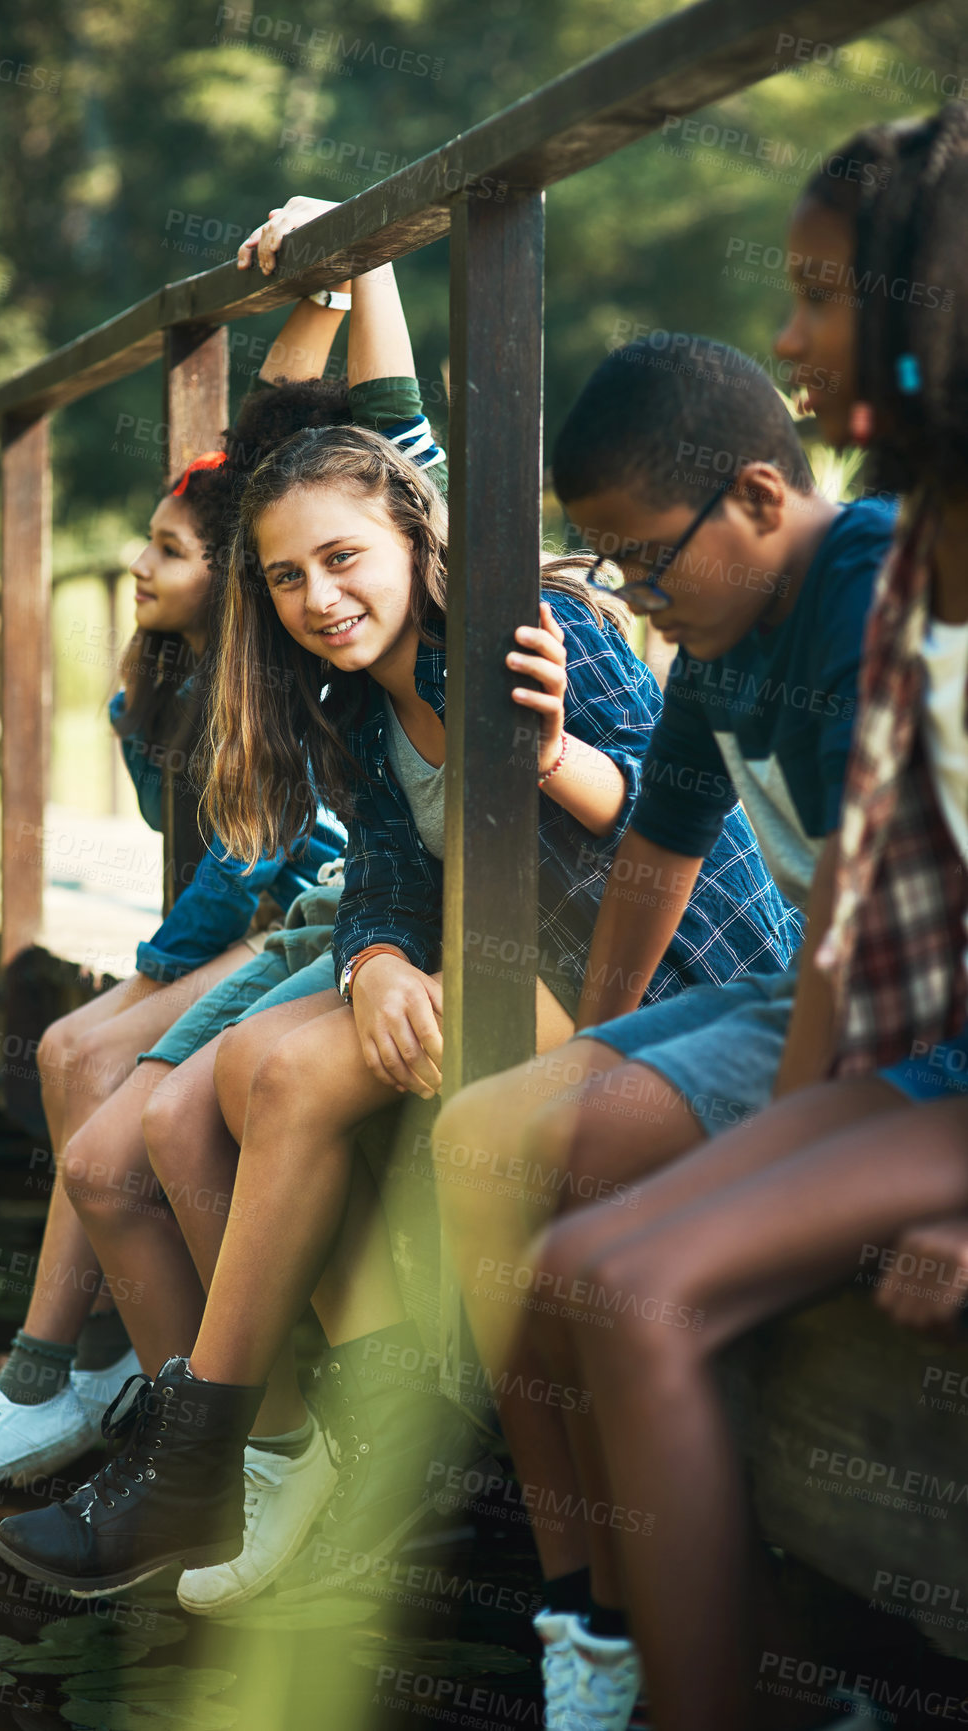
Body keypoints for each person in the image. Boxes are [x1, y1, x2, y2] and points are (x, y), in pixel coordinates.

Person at [0, 418, 797, 1601]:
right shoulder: (357, 705)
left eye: (343, 557)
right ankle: (329, 1429)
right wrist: (373, 966)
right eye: (285, 577)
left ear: (416, 537)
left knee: (301, 1076)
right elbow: (386, 875)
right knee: (253, 1065)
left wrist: (551, 755)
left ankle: (198, 1460)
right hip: (511, 967)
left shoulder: (542, 622)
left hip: (674, 978)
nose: (319, 596)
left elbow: (674, 823)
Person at [522, 104, 968, 1731]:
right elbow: (824, 901)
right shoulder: (916, 565)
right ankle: (658, 1644)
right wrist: (787, 1152)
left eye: (823, 292)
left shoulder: (875, 586)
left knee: (626, 1274)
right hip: (906, 1064)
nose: (786, 334)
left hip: (940, 1078)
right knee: (570, 1239)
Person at [426, 324, 896, 1725]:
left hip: (885, 1006)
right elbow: (656, 851)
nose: (629, 593)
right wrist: (596, 1039)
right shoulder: (719, 632)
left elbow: (864, 903)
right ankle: (590, 1603)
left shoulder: (856, 591)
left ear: (756, 497)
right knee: (477, 1136)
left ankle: (755, 1665)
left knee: (590, 1196)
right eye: (607, 564)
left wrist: (794, 1138)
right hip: (800, 991)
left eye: (643, 556)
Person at [0, 197, 360, 1497]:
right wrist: (136, 698)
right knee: (64, 1042)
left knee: (94, 1053)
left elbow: (244, 863)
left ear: (232, 569)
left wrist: (327, 294)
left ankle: (87, 1379)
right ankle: (91, 1370)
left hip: (288, 924)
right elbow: (184, 829)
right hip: (247, 924)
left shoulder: (271, 654)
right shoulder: (186, 673)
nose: (137, 559)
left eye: (164, 549)